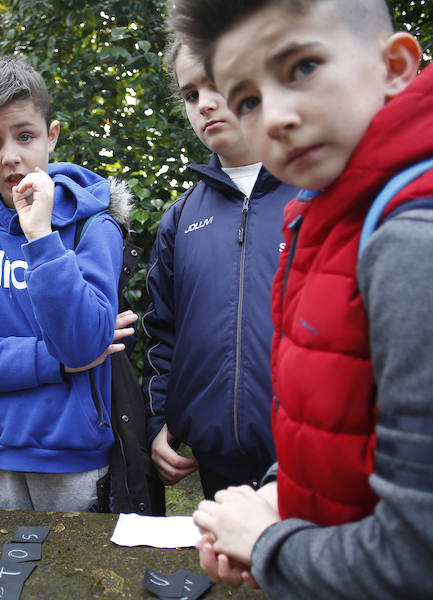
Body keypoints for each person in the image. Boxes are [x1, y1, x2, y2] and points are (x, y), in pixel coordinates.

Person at [170, 0, 433, 597]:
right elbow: (343, 420)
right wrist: (280, 493)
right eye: (247, 100)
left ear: (395, 66)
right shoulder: (328, 220)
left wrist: (269, 546)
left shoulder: (424, 244)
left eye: (300, 68)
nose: (274, 118)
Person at [0, 56, 135, 512]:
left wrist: (42, 238)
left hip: (75, 459)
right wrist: (60, 363)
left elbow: (84, 342)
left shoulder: (92, 229)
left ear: (52, 135)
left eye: (25, 136)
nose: (10, 156)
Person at [141, 34, 298, 499]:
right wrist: (156, 421)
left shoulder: (316, 193)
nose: (206, 104)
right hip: (217, 459)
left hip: (307, 452)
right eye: (191, 94)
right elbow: (162, 333)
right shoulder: (181, 217)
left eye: (219, 85)